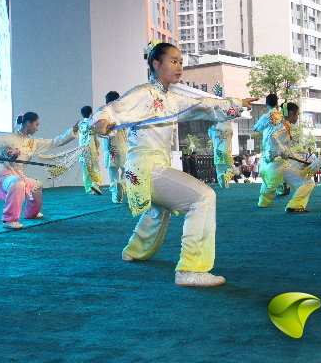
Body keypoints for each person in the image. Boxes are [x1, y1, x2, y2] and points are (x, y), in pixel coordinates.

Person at [91, 42, 257, 287]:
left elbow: (204, 106)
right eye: (173, 61)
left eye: (180, 62)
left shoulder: (172, 99)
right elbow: (112, 109)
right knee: (203, 197)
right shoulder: (143, 92)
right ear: (156, 64)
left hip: (144, 168)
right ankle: (191, 269)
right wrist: (102, 119)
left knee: (159, 209)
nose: (179, 67)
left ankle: (134, 251)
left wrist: (237, 104)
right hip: (146, 167)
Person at [0, 112, 78, 229]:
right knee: (18, 183)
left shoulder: (33, 143)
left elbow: (55, 142)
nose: (37, 128)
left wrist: (72, 131)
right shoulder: (9, 138)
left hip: (20, 177)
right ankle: (9, 220)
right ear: (28, 123)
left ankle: (31, 213)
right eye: (36, 125)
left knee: (37, 185)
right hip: (6, 178)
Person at [257, 102, 315, 212]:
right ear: (292, 113)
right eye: (297, 114)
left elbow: (288, 150)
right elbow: (273, 138)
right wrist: (282, 151)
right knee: (308, 182)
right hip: (278, 166)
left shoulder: (280, 126)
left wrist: (301, 161)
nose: (298, 117)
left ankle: (263, 203)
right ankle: (295, 205)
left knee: (269, 183)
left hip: (267, 166)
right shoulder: (284, 126)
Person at [102, 91, 128, 203]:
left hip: (109, 147)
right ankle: (123, 184)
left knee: (112, 172)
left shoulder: (104, 115)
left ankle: (115, 194)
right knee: (126, 170)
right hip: (122, 145)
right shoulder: (123, 115)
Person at [78, 106, 103, 195]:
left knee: (86, 171)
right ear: (91, 113)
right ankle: (95, 183)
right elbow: (97, 139)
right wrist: (97, 149)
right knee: (96, 169)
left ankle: (89, 190)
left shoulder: (79, 125)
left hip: (82, 151)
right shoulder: (92, 124)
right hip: (91, 149)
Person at [208, 121, 235, 188]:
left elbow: (210, 136)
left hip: (217, 153)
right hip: (227, 152)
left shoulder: (212, 129)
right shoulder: (229, 128)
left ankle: (222, 181)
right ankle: (226, 177)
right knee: (231, 168)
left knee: (219, 170)